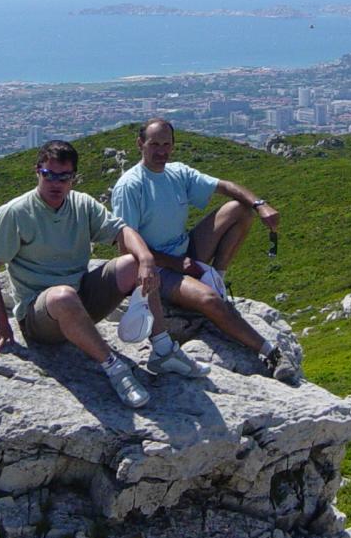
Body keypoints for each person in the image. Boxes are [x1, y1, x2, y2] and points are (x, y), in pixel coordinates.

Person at [0, 139, 208, 409]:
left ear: (73, 178)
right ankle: (115, 368)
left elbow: (122, 230)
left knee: (132, 264)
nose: (56, 183)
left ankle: (162, 349)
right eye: (49, 175)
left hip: (80, 298)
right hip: (41, 316)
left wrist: (146, 259)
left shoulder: (81, 205)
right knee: (62, 297)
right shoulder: (15, 213)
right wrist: (0, 320)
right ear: (37, 172)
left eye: (64, 177)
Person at [110, 118, 300, 383]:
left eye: (167, 144)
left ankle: (216, 277)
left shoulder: (176, 172)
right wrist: (177, 264)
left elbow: (226, 186)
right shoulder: (131, 185)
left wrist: (260, 204)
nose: (161, 151)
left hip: (184, 250)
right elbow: (126, 246)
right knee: (209, 301)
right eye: (155, 144)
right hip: (156, 267)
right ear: (140, 144)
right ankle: (272, 353)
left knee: (239, 210)